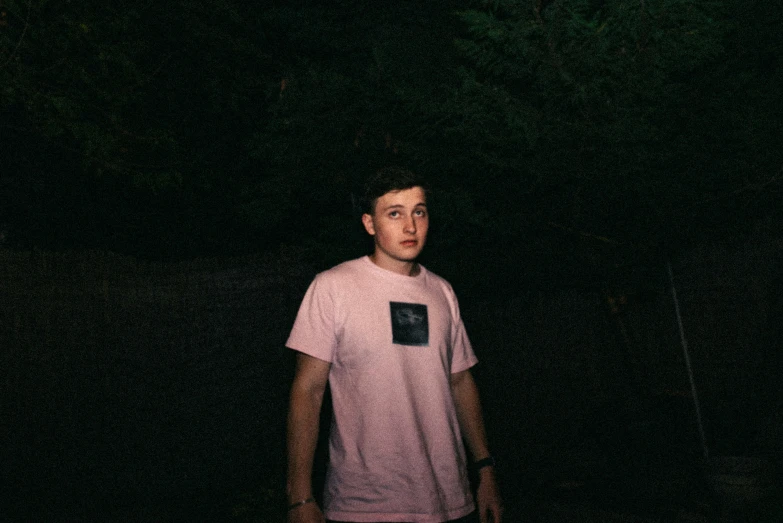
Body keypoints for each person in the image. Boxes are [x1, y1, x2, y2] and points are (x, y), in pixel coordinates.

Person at [285, 167, 503, 523]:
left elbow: (461, 382)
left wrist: (486, 469)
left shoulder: (443, 292)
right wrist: (299, 498)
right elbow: (307, 390)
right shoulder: (333, 287)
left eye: (419, 211)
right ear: (370, 224)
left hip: (451, 499)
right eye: (395, 213)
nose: (411, 226)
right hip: (366, 505)